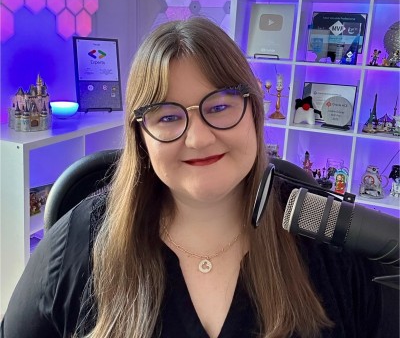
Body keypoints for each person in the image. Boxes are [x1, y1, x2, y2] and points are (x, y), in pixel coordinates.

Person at [1, 17, 398, 338]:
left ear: (254, 112)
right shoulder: (79, 242)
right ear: (141, 137)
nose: (199, 138)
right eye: (168, 117)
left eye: (220, 107)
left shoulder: (328, 240)